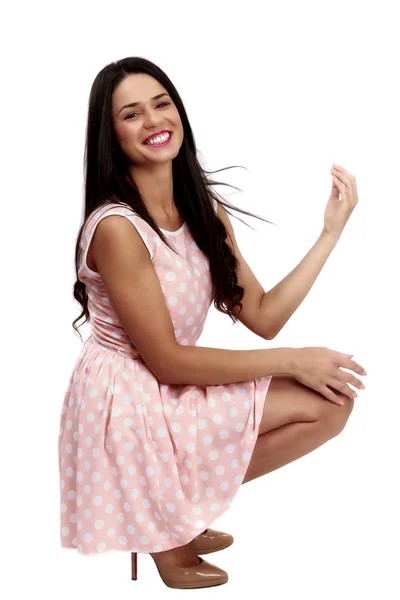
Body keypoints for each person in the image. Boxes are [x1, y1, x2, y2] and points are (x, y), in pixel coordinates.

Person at [58, 56, 367, 589]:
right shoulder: (116, 229)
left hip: (173, 383)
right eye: (132, 114)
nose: (155, 121)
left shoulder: (203, 210)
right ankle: (164, 529)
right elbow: (168, 360)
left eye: (162, 104)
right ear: (111, 135)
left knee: (331, 404)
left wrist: (329, 233)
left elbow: (264, 316)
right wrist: (296, 359)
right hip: (127, 400)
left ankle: (168, 509)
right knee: (318, 396)